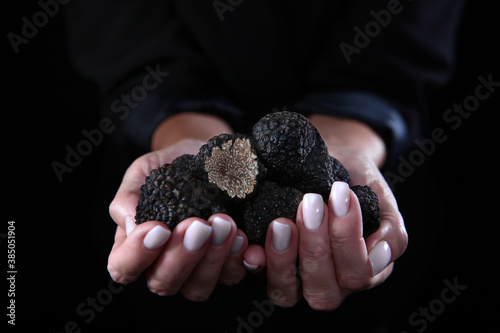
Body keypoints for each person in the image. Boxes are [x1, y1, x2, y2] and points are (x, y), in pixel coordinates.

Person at [65, 0, 465, 330]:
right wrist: (179, 128)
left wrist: (346, 138)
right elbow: (123, 38)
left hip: (374, 275)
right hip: (168, 291)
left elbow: (398, 48)